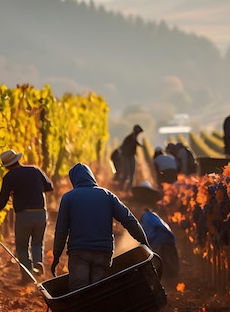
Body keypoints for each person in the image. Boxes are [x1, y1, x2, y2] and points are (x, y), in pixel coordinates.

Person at [51, 163, 150, 291]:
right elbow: (129, 221)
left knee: (79, 291)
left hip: (79, 252)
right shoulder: (107, 195)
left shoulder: (68, 198)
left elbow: (61, 231)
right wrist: (144, 242)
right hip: (103, 253)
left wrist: (56, 256)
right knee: (98, 292)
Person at [0, 149, 54, 284]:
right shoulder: (35, 170)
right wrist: (34, 189)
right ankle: (38, 263)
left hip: (23, 215)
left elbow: (2, 201)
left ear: (7, 165)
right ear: (17, 159)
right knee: (37, 242)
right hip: (40, 213)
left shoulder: (9, 177)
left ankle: (27, 277)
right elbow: (49, 187)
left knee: (22, 246)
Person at [140, 208, 179, 280]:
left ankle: (168, 285)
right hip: (169, 240)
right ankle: (175, 283)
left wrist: (147, 241)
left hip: (158, 241)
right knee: (171, 264)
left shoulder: (146, 216)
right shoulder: (156, 217)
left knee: (161, 265)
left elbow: (146, 235)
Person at [118, 124, 144, 191]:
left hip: (128, 156)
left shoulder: (132, 137)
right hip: (126, 156)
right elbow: (126, 149)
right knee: (127, 174)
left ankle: (127, 189)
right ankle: (123, 189)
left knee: (131, 174)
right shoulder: (131, 138)